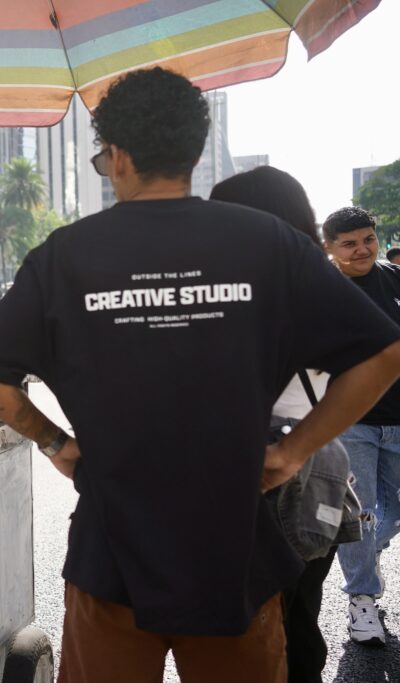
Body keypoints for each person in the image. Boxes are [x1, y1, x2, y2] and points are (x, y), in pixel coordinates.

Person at [0, 67, 400, 683]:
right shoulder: (270, 242)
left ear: (115, 156)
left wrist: (57, 444)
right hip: (236, 546)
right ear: (195, 150)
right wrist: (295, 449)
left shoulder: (63, 255)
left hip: (111, 549)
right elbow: (383, 354)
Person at [210, 165, 341, 682]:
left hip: (266, 474)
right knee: (299, 615)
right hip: (319, 474)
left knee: (260, 627)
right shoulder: (322, 285)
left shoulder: (251, 292)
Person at [322, 206, 400, 646]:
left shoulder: (394, 278)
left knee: (385, 519)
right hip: (351, 422)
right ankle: (362, 601)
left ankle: (368, 555)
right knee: (359, 515)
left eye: (367, 239)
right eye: (348, 243)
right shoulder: (318, 290)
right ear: (329, 247)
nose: (361, 250)